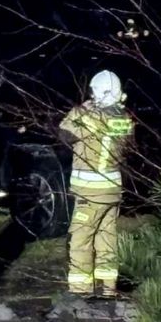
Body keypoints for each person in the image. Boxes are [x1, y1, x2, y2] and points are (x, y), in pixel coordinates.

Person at [59, 70, 134, 297]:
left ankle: (81, 290)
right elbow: (130, 147)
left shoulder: (86, 117)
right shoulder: (125, 119)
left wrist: (81, 112)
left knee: (81, 239)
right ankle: (108, 288)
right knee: (107, 239)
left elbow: (64, 134)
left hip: (89, 193)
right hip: (112, 190)